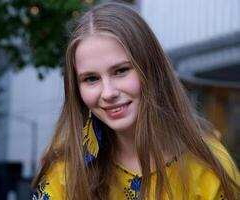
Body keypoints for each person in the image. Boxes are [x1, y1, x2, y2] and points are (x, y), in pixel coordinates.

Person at [32, 2, 240, 200]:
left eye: (121, 71)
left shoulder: (207, 164)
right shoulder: (66, 170)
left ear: (152, 70)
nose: (108, 93)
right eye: (91, 79)